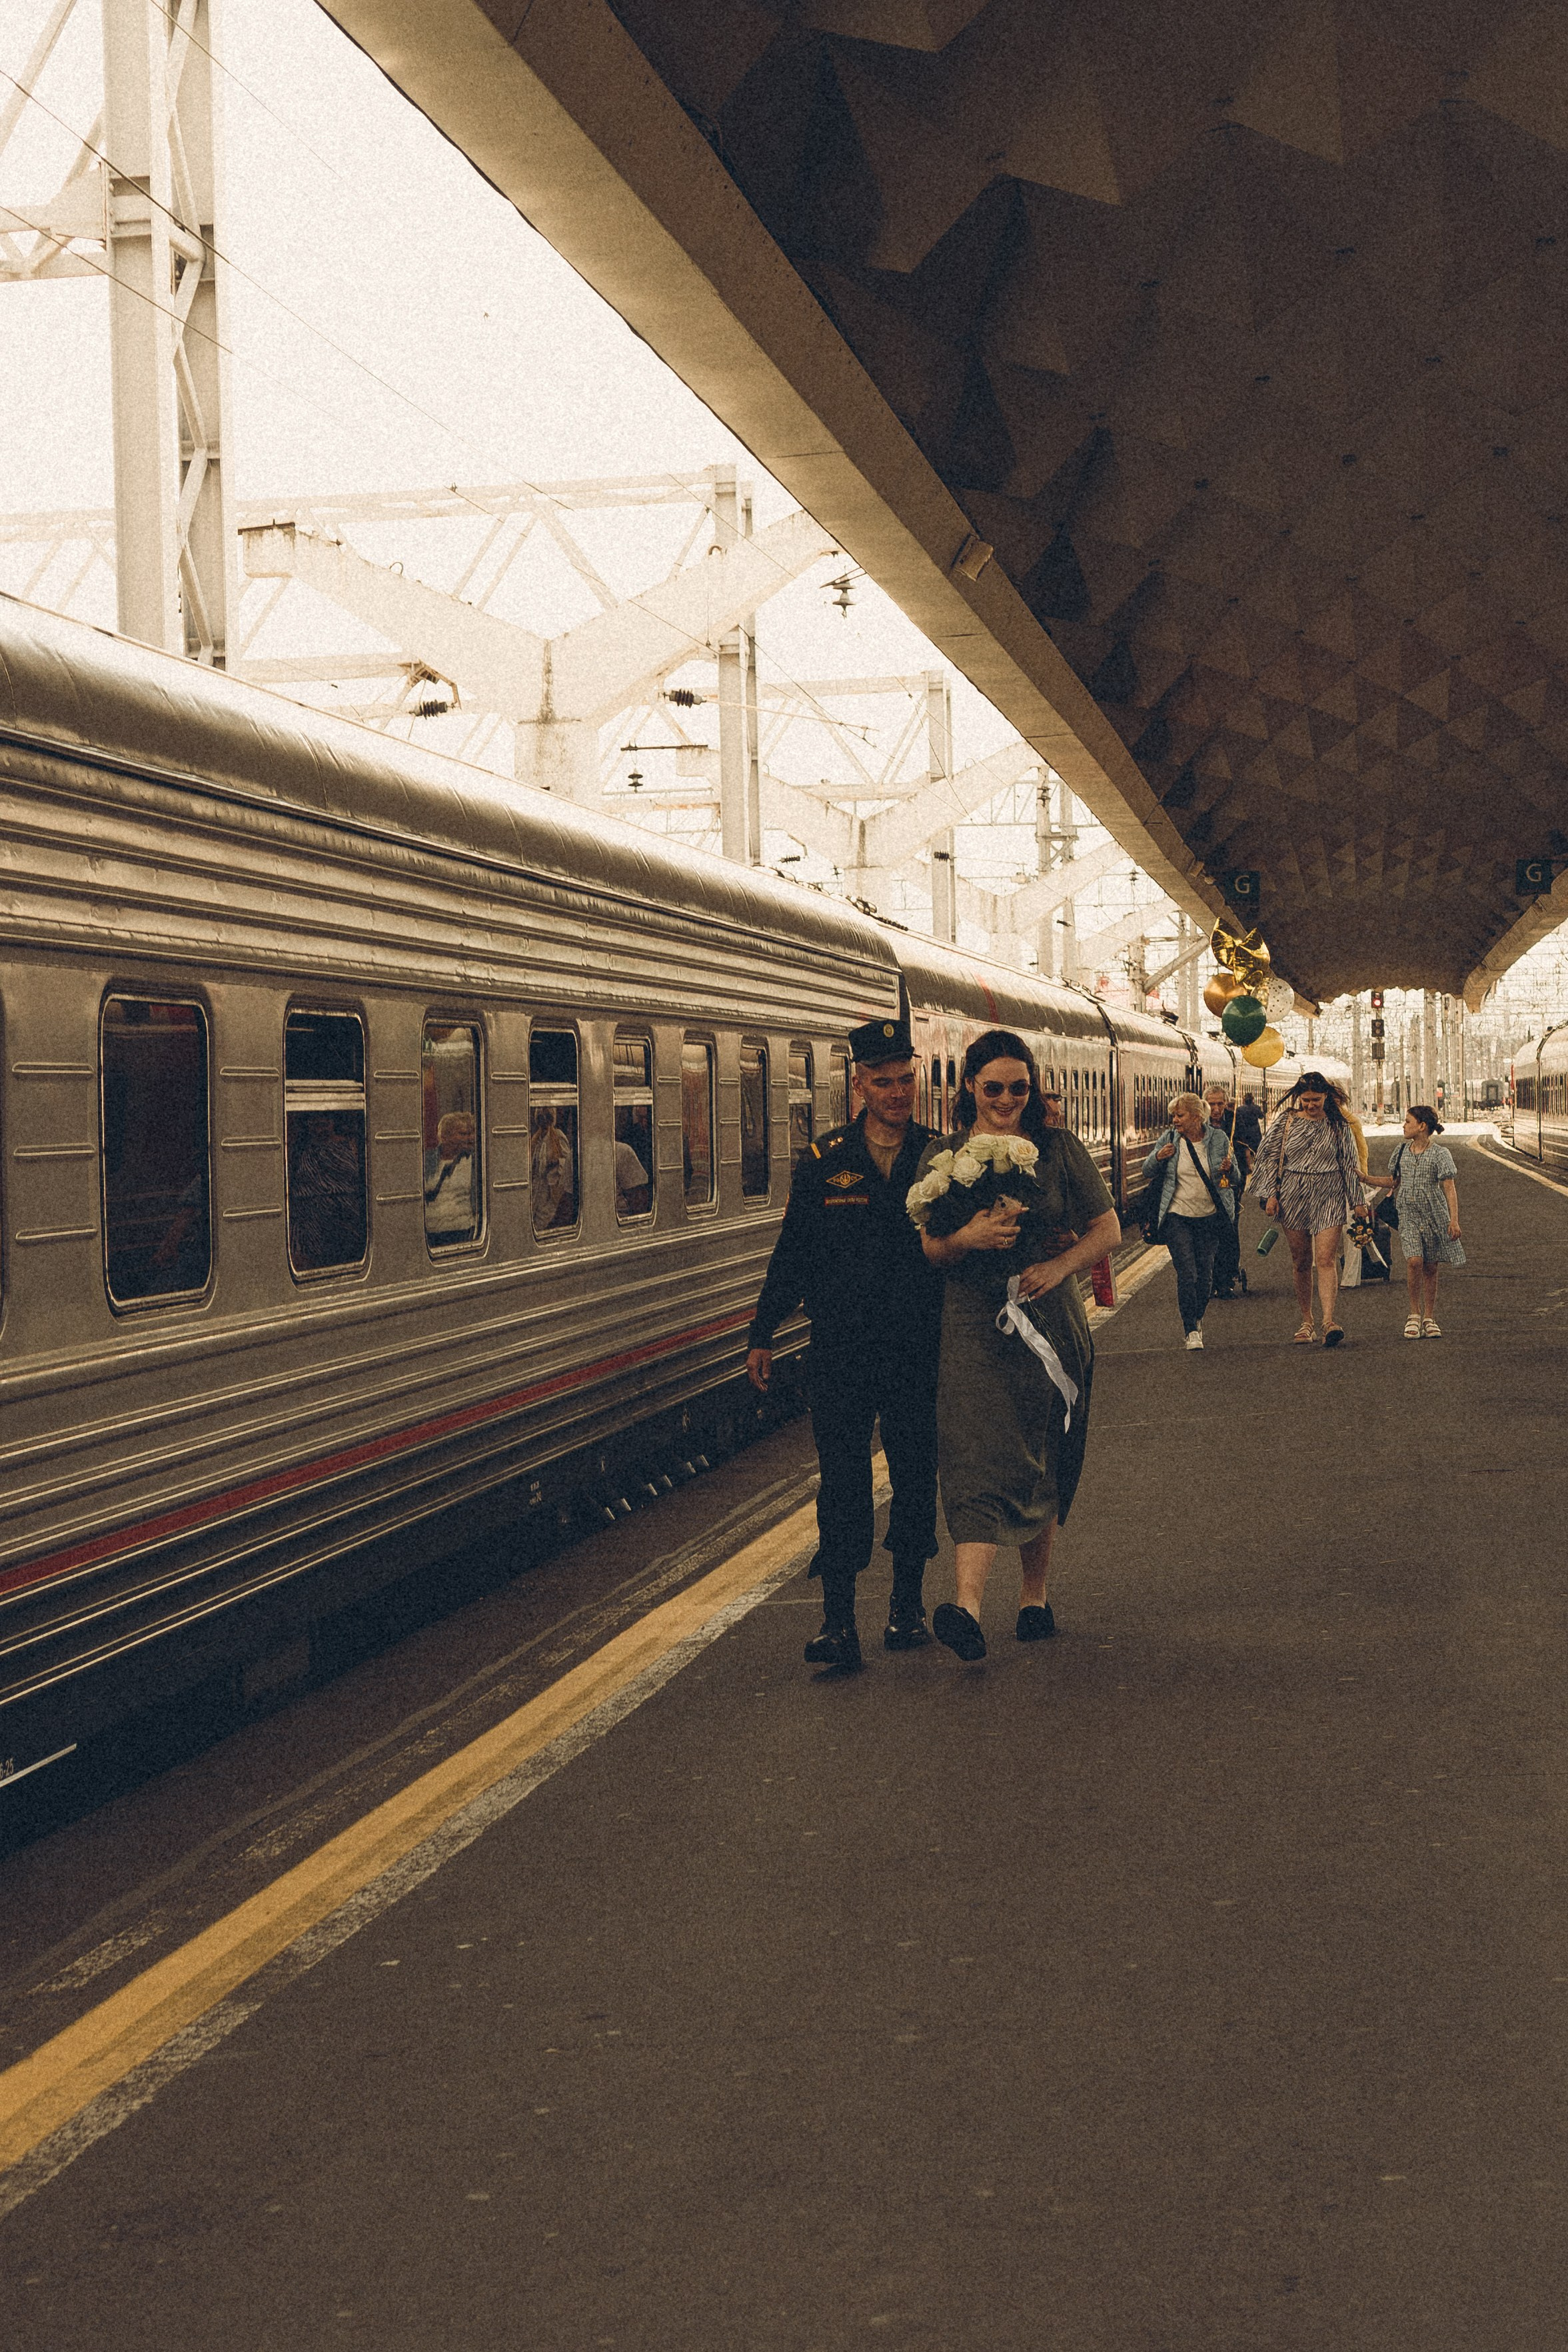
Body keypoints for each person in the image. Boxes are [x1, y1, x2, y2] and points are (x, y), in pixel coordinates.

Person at [910, 1029, 1120, 1662]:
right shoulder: (943, 1158)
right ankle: (966, 1607)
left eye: (1018, 1088)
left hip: (1046, 1321)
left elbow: (1106, 1228)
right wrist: (966, 1237)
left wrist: (1061, 1269)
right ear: (969, 1087)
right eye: (993, 1087)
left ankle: (1034, 1595)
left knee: (1039, 1453)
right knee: (974, 1454)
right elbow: (930, 1249)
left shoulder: (1057, 1150)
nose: (1006, 1099)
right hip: (971, 1325)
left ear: (1032, 1089)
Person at [747, 1018, 944, 1670]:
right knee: (842, 1486)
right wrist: (762, 1330)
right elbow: (794, 1253)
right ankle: (838, 1623)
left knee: (915, 1477)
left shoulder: (941, 1158)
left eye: (905, 1079)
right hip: (842, 1351)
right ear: (858, 1083)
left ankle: (906, 1610)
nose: (896, 1092)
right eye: (883, 1081)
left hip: (917, 1347)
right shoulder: (825, 1160)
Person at [1249, 1069, 1365, 1347]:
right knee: (1301, 1261)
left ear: (1327, 1096)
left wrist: (1358, 1201)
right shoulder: (1286, 1123)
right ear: (1298, 1098)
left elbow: (1350, 1164)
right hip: (1293, 1193)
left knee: (1325, 1259)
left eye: (1316, 1100)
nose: (1311, 1105)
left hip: (1329, 1192)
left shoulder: (1339, 1126)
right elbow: (1268, 1158)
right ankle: (1306, 1321)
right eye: (1306, 1100)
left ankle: (1328, 1321)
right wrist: (1270, 1195)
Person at [1141, 1092, 1237, 1349]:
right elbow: (1147, 1170)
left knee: (1205, 1276)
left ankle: (1197, 1318)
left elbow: (1236, 1177)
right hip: (1177, 1216)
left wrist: (1230, 1169)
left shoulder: (1218, 1139)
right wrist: (1159, 1157)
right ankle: (1190, 1330)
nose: (1175, 1119)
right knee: (1187, 1272)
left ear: (1197, 1117)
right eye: (1174, 1115)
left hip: (1210, 1217)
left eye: (1180, 1115)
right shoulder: (1170, 1139)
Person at [1370, 1106, 1465, 1336]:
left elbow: (1449, 1189)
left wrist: (1454, 1220)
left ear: (1422, 1126)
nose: (1404, 1126)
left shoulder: (1441, 1154)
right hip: (1408, 1215)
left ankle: (1429, 1318)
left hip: (1434, 1215)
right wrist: (1365, 1178)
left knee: (1431, 1266)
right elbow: (1394, 1182)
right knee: (1414, 1261)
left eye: (1408, 1122)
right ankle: (1414, 1314)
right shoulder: (1401, 1151)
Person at [423, 1110, 477, 1244]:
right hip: (430, 1233)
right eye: (463, 1134)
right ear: (445, 1137)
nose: (470, 1139)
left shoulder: (474, 1162)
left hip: (464, 1231)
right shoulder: (426, 1161)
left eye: (471, 1134)